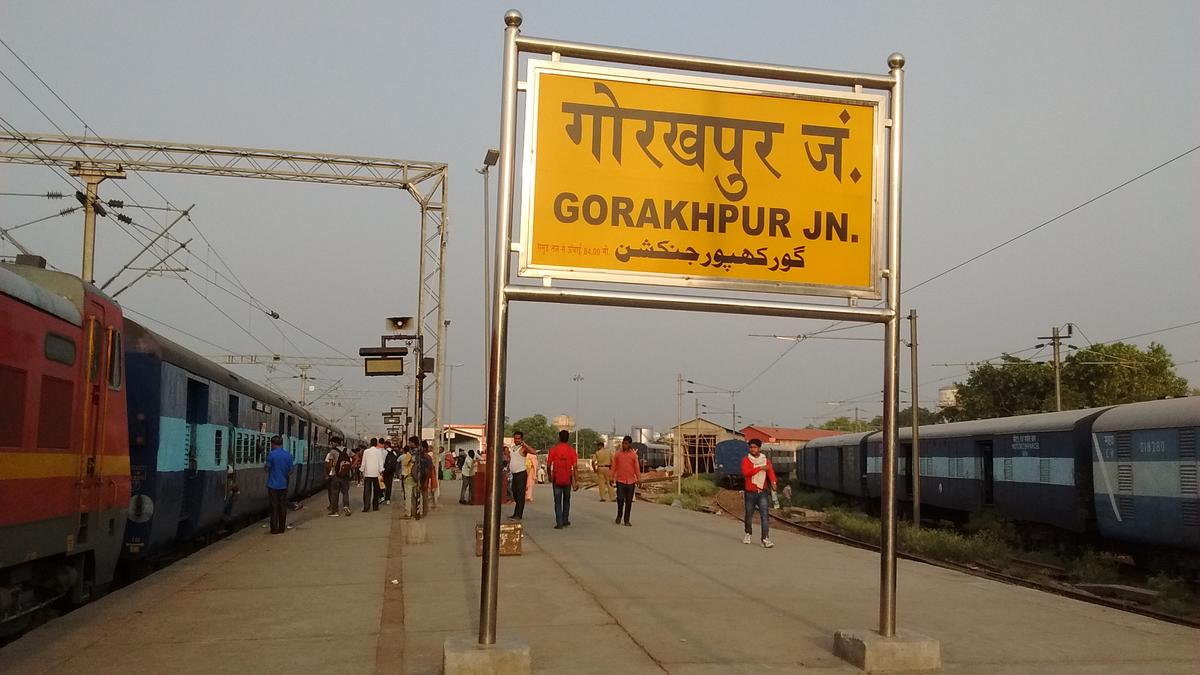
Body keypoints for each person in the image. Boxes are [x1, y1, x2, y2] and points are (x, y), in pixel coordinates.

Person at [741, 438, 777, 548]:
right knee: (749, 515)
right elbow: (746, 473)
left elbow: (770, 471)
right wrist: (760, 468)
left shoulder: (765, 460)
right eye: (751, 447)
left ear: (759, 448)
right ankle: (748, 533)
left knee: (765, 516)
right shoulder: (746, 460)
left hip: (762, 492)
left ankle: (765, 539)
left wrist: (774, 482)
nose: (752, 449)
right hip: (750, 492)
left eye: (755, 447)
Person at [546, 429, 579, 529]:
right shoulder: (572, 451)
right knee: (566, 500)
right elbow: (575, 467)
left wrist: (549, 475)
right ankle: (565, 520)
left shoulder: (553, 449)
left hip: (557, 478)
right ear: (568, 439)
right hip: (567, 478)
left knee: (557, 500)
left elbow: (548, 465)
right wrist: (576, 481)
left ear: (559, 438)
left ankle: (559, 522)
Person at [264, 435, 293, 534]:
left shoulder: (271, 455)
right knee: (282, 506)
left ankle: (274, 529)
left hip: (272, 485)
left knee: (274, 507)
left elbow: (267, 468)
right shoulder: (288, 455)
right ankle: (282, 528)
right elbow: (291, 471)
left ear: (273, 444)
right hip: (283, 485)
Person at [611, 435, 641, 526]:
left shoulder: (633, 455)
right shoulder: (618, 454)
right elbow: (614, 467)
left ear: (630, 444)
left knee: (629, 501)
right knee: (620, 499)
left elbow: (636, 468)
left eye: (626, 444)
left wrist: (639, 479)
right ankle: (619, 515)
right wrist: (611, 477)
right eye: (623, 443)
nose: (624, 445)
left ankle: (626, 520)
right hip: (620, 480)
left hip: (631, 481)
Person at [508, 431, 530, 520]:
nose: (517, 440)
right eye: (515, 438)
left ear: (521, 439)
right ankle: (516, 513)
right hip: (514, 474)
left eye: (518, 438)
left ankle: (518, 514)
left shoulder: (523, 448)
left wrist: (525, 445)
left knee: (520, 495)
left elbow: (534, 452)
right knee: (515, 494)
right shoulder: (513, 448)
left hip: (521, 474)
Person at [329, 438, 353, 516]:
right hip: (345, 475)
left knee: (335, 493)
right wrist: (351, 467)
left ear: (336, 443)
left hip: (336, 475)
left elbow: (330, 463)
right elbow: (356, 457)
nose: (331, 445)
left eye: (332, 443)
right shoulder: (348, 450)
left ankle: (335, 511)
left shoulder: (332, 451)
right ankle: (346, 507)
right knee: (345, 492)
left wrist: (330, 472)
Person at [361, 438, 385, 512]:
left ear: (370, 443)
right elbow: (381, 462)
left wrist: (362, 470)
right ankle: (375, 506)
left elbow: (363, 462)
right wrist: (381, 471)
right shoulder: (379, 452)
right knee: (376, 490)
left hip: (367, 474)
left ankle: (366, 507)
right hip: (377, 474)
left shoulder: (366, 451)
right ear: (376, 443)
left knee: (367, 491)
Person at [382, 441, 399, 505]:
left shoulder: (384, 452)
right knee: (389, 484)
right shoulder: (394, 452)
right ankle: (388, 498)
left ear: (386, 445)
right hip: (391, 470)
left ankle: (382, 496)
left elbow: (383, 461)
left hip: (385, 470)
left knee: (382, 483)